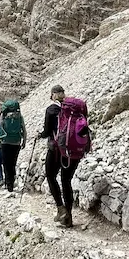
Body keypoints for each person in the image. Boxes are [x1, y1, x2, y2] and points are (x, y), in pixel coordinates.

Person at [40, 88, 90, 228]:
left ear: (54, 95)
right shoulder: (75, 110)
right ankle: (69, 218)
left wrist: (40, 135)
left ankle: (60, 209)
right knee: (66, 181)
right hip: (74, 150)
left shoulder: (51, 109)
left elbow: (46, 131)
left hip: (56, 149)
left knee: (50, 176)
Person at [0, 100, 26, 193]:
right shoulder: (19, 117)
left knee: (6, 163)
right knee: (13, 163)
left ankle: (8, 184)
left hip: (5, 142)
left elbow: (0, 128)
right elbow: (24, 130)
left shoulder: (4, 116)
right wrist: (24, 141)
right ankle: (12, 182)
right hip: (16, 142)